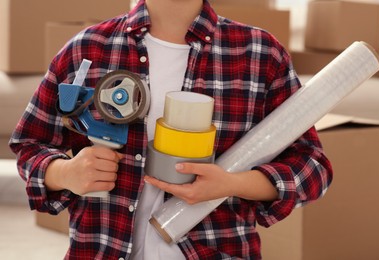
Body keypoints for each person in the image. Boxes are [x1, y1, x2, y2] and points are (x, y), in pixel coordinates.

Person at [9, 0, 333, 259]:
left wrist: (232, 183)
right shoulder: (87, 49)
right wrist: (65, 173)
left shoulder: (260, 54)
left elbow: (312, 167)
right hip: (100, 248)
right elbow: (29, 144)